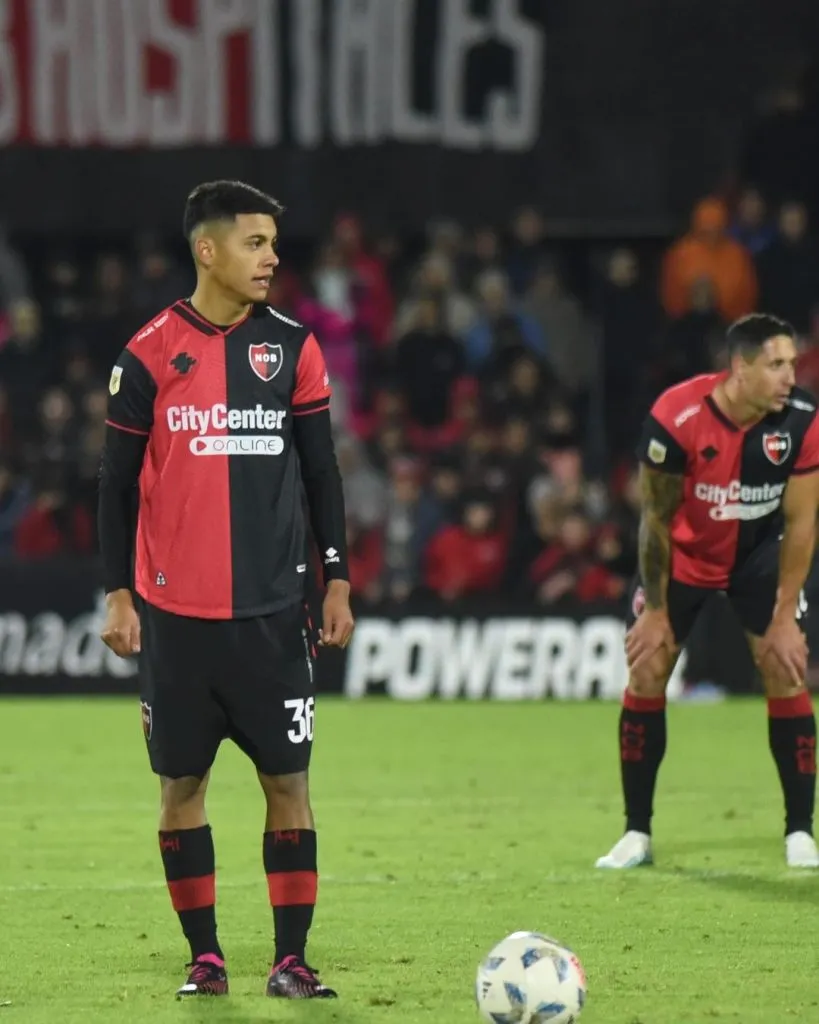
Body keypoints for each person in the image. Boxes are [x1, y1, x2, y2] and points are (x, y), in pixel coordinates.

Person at [97, 181, 354, 998]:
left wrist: (337, 576)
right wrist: (117, 591)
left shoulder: (293, 347)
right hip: (176, 620)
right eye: (255, 242)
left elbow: (321, 471)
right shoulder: (146, 353)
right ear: (207, 249)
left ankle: (291, 960)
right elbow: (115, 483)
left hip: (275, 617)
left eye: (273, 242)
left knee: (290, 785)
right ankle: (204, 958)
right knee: (182, 791)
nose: (271, 256)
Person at [596, 313, 819, 870]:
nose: (791, 375)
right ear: (740, 369)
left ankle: (799, 832)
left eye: (792, 363)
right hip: (684, 561)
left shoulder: (803, 420)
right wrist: (656, 608)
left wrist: (787, 612)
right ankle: (636, 833)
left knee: (785, 668)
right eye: (777, 364)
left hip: (759, 561)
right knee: (647, 670)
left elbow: (804, 521)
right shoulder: (677, 417)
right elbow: (654, 519)